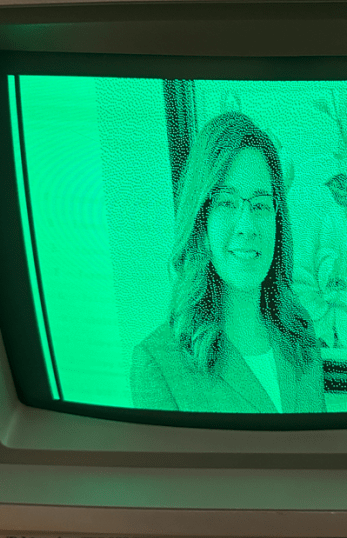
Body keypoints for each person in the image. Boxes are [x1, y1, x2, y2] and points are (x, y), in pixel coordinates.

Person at [130, 112, 325, 413]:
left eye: (260, 204)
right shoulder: (159, 364)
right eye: (226, 202)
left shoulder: (301, 337)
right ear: (201, 221)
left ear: (277, 220)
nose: (247, 226)